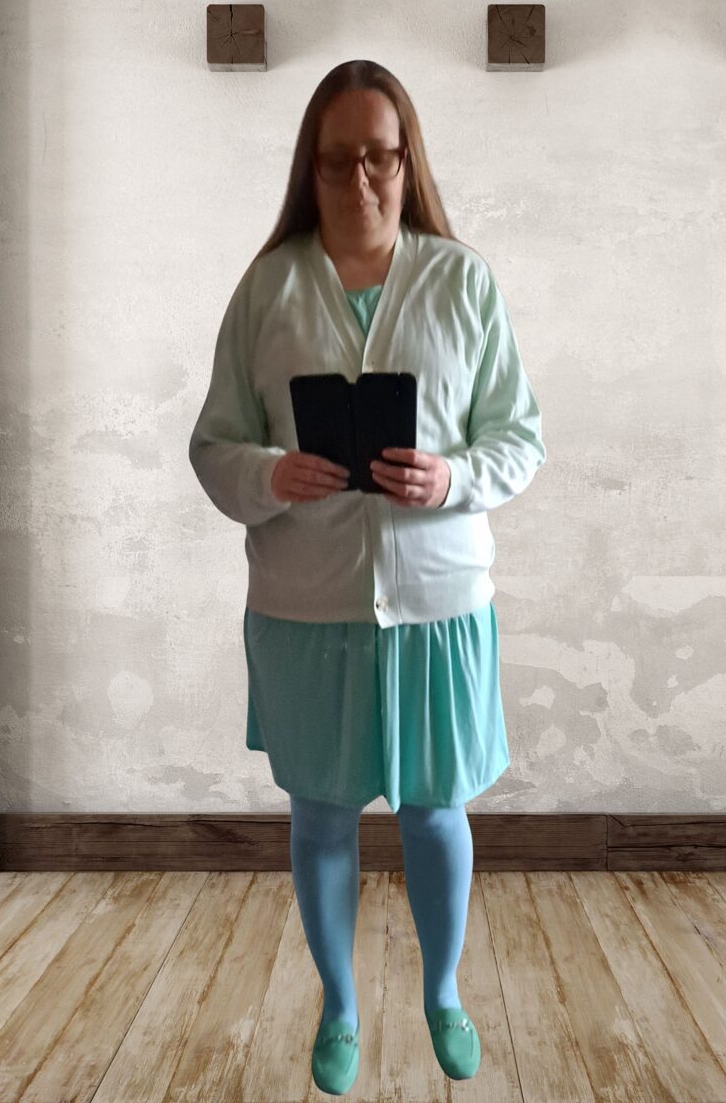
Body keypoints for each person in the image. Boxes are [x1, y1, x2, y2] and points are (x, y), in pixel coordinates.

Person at [189, 58, 546, 1095]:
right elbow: (213, 445)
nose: (360, 179)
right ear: (309, 167)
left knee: (434, 811)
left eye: (380, 157)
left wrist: (452, 477)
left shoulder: (461, 281)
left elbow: (518, 439)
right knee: (320, 814)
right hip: (304, 606)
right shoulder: (268, 288)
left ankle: (442, 992)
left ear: (407, 160)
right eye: (337, 158)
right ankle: (339, 1007)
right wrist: (269, 474)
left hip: (436, 603)